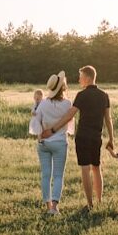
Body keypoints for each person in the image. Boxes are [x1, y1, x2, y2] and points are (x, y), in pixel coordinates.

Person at [41, 65, 114, 210]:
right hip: (96, 137)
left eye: (80, 76)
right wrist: (111, 138)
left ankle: (90, 204)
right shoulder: (104, 95)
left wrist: (53, 129)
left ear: (87, 78)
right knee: (96, 168)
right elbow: (108, 118)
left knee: (85, 169)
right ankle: (99, 201)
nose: (79, 79)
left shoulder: (82, 95)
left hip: (83, 137)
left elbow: (70, 115)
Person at [30, 71, 74, 215]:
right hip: (60, 143)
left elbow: (36, 122)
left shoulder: (43, 104)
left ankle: (48, 206)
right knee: (58, 175)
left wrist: (40, 136)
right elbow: (70, 124)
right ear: (63, 87)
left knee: (45, 175)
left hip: (43, 143)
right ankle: (55, 207)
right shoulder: (68, 104)